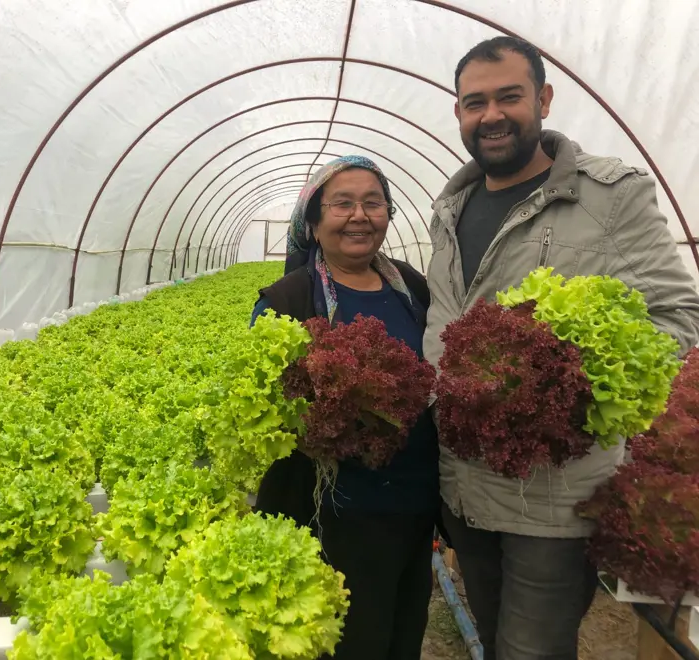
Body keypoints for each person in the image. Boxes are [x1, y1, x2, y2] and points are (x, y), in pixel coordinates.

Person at [424, 36, 699, 660]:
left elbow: (677, 315)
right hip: (463, 483)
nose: (491, 115)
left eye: (509, 97)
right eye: (474, 103)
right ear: (460, 114)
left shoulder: (609, 195)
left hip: (553, 496)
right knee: (494, 638)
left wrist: (562, 383)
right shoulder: (450, 206)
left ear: (544, 99)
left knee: (532, 649)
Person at [249, 155, 440, 660]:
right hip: (329, 518)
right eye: (342, 204)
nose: (360, 216)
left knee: (402, 636)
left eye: (373, 203)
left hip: (412, 508)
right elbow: (263, 411)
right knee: (348, 641)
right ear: (312, 223)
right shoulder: (286, 300)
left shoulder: (412, 289)